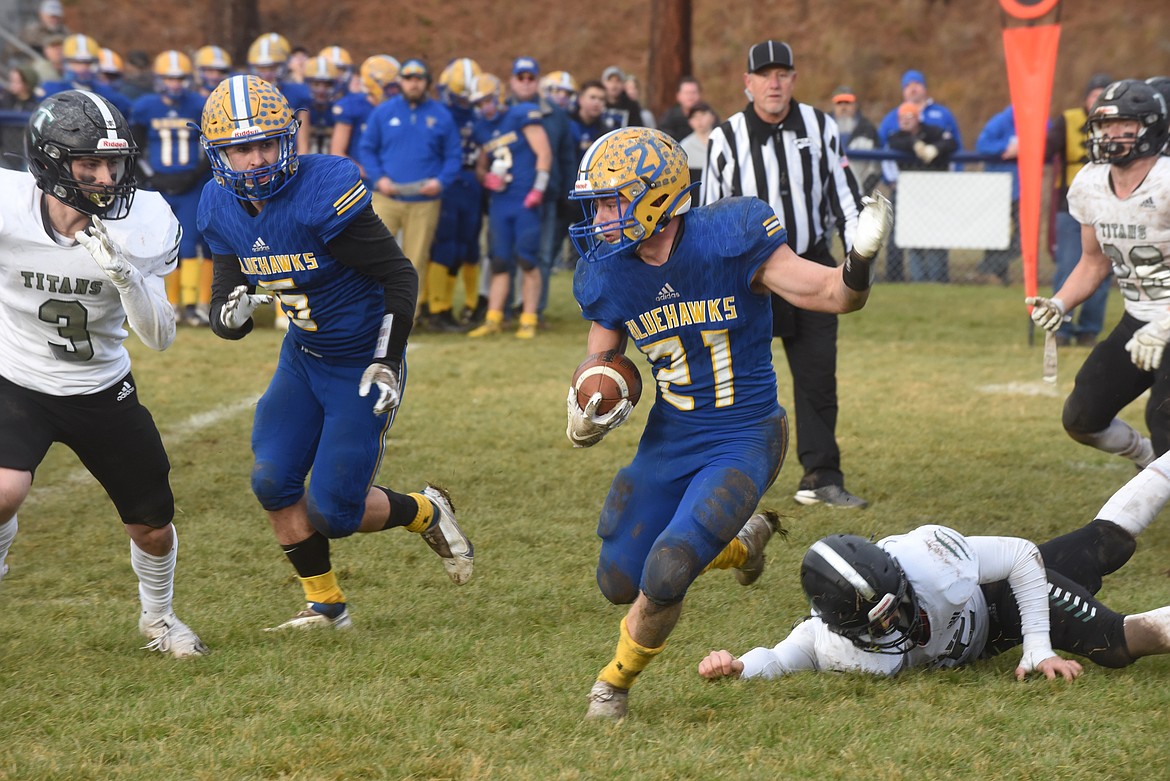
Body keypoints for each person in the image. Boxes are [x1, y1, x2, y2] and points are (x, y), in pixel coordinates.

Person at [567, 125, 891, 720]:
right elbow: (600, 359)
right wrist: (588, 402)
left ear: (656, 198)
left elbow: (832, 296)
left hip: (744, 435)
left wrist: (859, 261)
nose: (602, 218)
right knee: (619, 579)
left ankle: (612, 686)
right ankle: (743, 546)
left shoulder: (729, 236)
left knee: (666, 570)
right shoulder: (609, 272)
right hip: (670, 438)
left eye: (612, 202)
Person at [196, 75, 474, 630]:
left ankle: (424, 510)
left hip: (360, 360)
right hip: (303, 357)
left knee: (335, 512)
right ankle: (326, 606)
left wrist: (387, 355)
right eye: (239, 149)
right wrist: (228, 316)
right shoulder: (217, 204)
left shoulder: (322, 189)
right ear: (218, 154)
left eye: (264, 144)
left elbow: (399, 274)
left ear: (288, 139)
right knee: (271, 481)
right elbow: (226, 307)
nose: (253, 161)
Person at [0, 89, 207, 657]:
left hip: (100, 387)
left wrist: (124, 276)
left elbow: (161, 336)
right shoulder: (7, 203)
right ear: (48, 160)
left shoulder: (144, 217)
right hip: (18, 377)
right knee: (3, 491)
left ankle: (159, 620)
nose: (104, 177)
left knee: (152, 526)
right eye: (87, 163)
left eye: (112, 162)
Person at [698, 450, 1170, 683]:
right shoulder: (829, 639)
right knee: (1104, 544)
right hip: (987, 636)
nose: (899, 623)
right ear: (842, 626)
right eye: (881, 623)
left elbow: (1021, 556)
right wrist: (736, 666)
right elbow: (780, 658)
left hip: (998, 596)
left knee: (1112, 639)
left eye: (896, 607)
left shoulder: (930, 560)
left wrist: (1038, 648)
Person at [702, 39, 871, 509]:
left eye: (782, 74)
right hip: (748, 272)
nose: (774, 83)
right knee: (734, 379)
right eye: (764, 74)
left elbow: (845, 198)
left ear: (794, 80)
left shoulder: (821, 127)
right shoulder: (725, 137)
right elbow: (709, 216)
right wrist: (714, 278)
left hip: (811, 262)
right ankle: (722, 477)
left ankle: (822, 476)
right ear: (748, 83)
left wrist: (857, 257)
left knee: (818, 374)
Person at [1027, 79, 1170, 468]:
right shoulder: (1090, 182)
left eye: (1121, 125)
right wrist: (1060, 302)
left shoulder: (1166, 181)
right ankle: (1145, 461)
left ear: (1150, 128)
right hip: (1138, 318)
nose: (1108, 135)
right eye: (1104, 126)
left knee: (1165, 425)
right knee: (1082, 417)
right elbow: (1094, 262)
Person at [358, 58, 462, 318]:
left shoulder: (441, 115)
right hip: (386, 196)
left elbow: (453, 156)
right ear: (400, 82)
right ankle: (369, 315)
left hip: (424, 200)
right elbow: (367, 148)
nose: (413, 84)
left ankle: (405, 319)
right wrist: (378, 178)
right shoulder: (383, 112)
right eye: (408, 78)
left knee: (414, 260)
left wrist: (440, 182)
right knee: (373, 255)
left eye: (418, 79)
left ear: (427, 82)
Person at [466, 67, 553, 340]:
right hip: (501, 202)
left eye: (487, 100)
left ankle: (528, 318)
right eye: (479, 103)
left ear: (499, 96)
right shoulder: (481, 128)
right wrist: (485, 178)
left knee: (527, 259)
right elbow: (481, 165)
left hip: (525, 198)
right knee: (499, 261)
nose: (484, 107)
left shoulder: (520, 114)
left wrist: (538, 189)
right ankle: (494, 317)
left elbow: (544, 152)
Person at [130, 50, 212, 328]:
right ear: (159, 79)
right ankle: (170, 303)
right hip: (160, 186)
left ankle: (193, 305)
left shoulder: (198, 104)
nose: (175, 84)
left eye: (179, 78)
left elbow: (208, 148)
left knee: (189, 244)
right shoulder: (145, 106)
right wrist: (152, 179)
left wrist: (193, 175)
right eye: (170, 78)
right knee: (162, 246)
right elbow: (136, 149)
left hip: (192, 185)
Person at [1045, 73, 1114, 346]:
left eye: (1103, 95)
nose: (1097, 100)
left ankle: (1089, 330)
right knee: (1069, 265)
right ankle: (1060, 327)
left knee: (1102, 269)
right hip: (1071, 205)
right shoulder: (1069, 119)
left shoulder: (1120, 127)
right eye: (1093, 94)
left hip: (1109, 204)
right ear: (1085, 98)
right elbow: (1047, 149)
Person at [509, 56, 578, 329]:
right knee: (506, 253)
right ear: (513, 80)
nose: (526, 82)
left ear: (538, 81)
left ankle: (534, 310)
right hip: (510, 196)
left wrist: (568, 191)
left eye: (531, 77)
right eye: (521, 77)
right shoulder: (503, 111)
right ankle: (505, 308)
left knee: (544, 255)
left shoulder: (555, 114)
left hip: (546, 196)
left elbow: (566, 156)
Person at [877, 70, 963, 283]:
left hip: (936, 188)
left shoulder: (940, 116)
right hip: (906, 189)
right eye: (908, 85)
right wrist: (892, 181)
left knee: (936, 233)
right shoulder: (892, 120)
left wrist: (937, 152)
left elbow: (953, 144)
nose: (913, 88)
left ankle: (938, 278)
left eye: (917, 84)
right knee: (905, 234)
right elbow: (887, 147)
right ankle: (897, 278)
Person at [430, 56, 484, 332]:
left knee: (469, 246)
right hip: (448, 182)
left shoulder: (481, 113)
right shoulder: (438, 113)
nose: (464, 102)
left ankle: (472, 305)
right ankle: (437, 307)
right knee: (445, 245)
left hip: (473, 183)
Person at [972, 104, 1020, 286]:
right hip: (999, 188)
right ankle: (999, 277)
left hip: (1023, 190)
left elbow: (1047, 139)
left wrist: (1024, 146)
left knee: (1021, 238)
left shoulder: (1039, 120)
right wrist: (1007, 147)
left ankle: (989, 266)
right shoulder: (1001, 121)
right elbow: (983, 145)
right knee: (995, 236)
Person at [829, 85, 880, 195]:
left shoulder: (868, 130)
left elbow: (875, 166)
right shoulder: (822, 127)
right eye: (839, 103)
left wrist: (864, 189)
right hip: (829, 190)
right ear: (833, 106)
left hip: (859, 191)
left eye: (847, 103)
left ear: (855, 105)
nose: (843, 107)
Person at [678, 101, 717, 204]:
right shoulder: (684, 146)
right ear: (690, 122)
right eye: (695, 117)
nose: (699, 120)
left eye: (703, 115)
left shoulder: (722, 142)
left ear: (712, 117)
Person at [657, 76, 702, 141]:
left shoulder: (708, 115)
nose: (690, 97)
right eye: (687, 93)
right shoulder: (669, 117)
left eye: (693, 93)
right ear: (678, 96)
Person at [600, 65, 643, 130]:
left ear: (623, 84)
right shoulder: (598, 102)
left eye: (618, 81)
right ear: (603, 83)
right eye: (610, 81)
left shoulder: (631, 106)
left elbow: (637, 129)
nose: (614, 85)